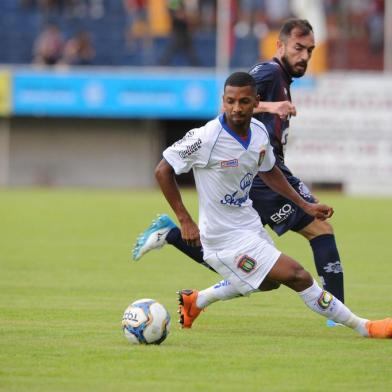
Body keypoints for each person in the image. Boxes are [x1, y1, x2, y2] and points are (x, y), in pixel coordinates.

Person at [133, 19, 345, 327]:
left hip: (260, 172)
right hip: (260, 176)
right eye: (298, 48)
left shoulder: (283, 80)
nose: (304, 56)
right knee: (319, 230)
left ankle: (193, 289)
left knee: (258, 274)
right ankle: (338, 315)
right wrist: (273, 108)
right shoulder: (269, 72)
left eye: (310, 50)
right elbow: (240, 99)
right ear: (280, 46)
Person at [152, 71, 391, 339]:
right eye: (230, 101)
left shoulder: (258, 132)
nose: (236, 108)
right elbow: (163, 170)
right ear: (223, 101)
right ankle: (365, 327)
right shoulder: (206, 137)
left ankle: (196, 301)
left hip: (248, 225)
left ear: (256, 102)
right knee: (297, 275)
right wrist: (185, 219)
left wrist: (306, 206)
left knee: (269, 283)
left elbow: (269, 171)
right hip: (222, 238)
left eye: (243, 102)